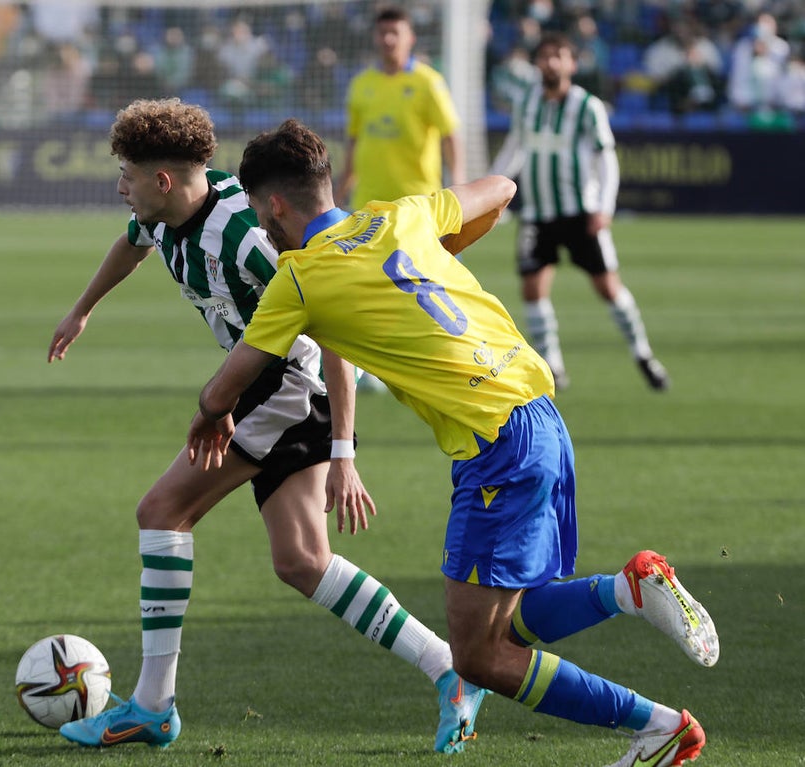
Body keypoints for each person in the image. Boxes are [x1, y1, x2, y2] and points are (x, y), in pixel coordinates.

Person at [186, 118, 719, 767]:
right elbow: (501, 185)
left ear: (274, 204)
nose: (265, 229)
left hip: (495, 442)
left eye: (263, 214)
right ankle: (629, 591)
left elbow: (226, 387)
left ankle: (661, 726)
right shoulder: (402, 217)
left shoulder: (300, 277)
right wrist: (442, 251)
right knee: (511, 621)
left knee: (478, 656)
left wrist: (211, 413)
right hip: (542, 414)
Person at [47, 99, 487, 753]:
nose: (121, 187)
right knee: (302, 561)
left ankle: (151, 705)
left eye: (128, 175)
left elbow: (330, 324)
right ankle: (449, 665)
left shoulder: (244, 234)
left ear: (162, 181)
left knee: (163, 510)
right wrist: (82, 308)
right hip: (270, 389)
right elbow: (131, 246)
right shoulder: (161, 213)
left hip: (291, 388)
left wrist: (343, 448)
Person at [489, 33, 670, 392]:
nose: (550, 63)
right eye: (544, 56)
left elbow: (606, 159)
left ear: (572, 63)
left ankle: (643, 353)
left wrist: (604, 206)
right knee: (532, 288)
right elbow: (515, 147)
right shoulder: (527, 103)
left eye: (558, 56)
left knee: (608, 287)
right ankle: (553, 365)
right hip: (538, 215)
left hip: (580, 213)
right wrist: (494, 188)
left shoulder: (587, 106)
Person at [336, 5, 464, 393]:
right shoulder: (362, 84)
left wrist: (457, 181)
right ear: (376, 38)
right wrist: (343, 184)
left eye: (396, 33)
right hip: (369, 204)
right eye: (383, 33)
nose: (389, 39)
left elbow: (449, 134)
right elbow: (355, 141)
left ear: (410, 38)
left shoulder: (428, 82)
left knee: (428, 282)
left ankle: (441, 359)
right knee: (365, 284)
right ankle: (372, 366)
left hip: (418, 203)